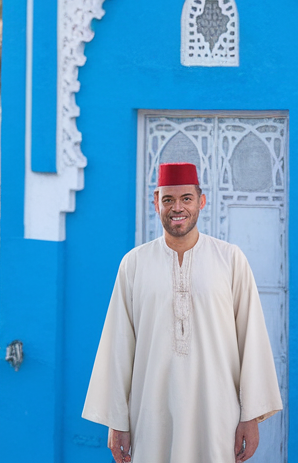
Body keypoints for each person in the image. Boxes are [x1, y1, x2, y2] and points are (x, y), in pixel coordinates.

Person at [83, 162, 282, 462]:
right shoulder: (134, 264)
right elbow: (118, 346)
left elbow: (251, 340)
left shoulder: (230, 260)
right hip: (150, 418)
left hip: (217, 416)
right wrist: (117, 421)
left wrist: (250, 416)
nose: (178, 208)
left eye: (186, 198)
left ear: (201, 201)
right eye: (168, 199)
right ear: (156, 202)